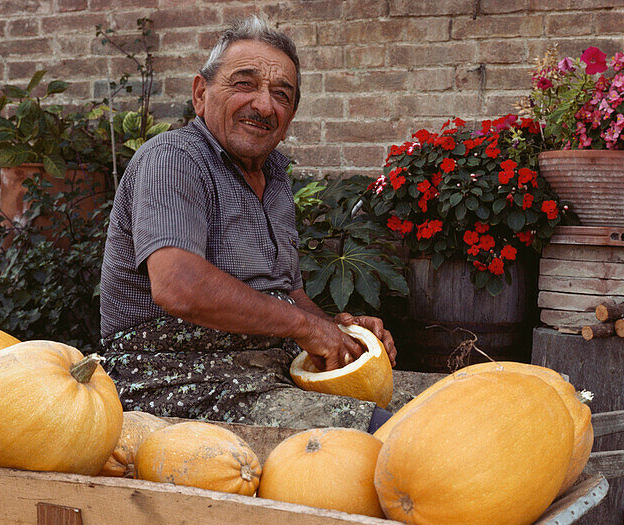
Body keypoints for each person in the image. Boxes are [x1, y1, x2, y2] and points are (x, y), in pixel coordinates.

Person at [99, 16, 434, 430]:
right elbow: (179, 287)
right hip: (173, 378)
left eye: (281, 94)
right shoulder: (174, 159)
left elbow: (287, 293)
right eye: (245, 83)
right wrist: (304, 326)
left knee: (446, 402)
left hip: (267, 370)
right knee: (392, 431)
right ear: (201, 94)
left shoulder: (272, 176)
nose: (264, 105)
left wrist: (340, 335)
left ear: (291, 114)